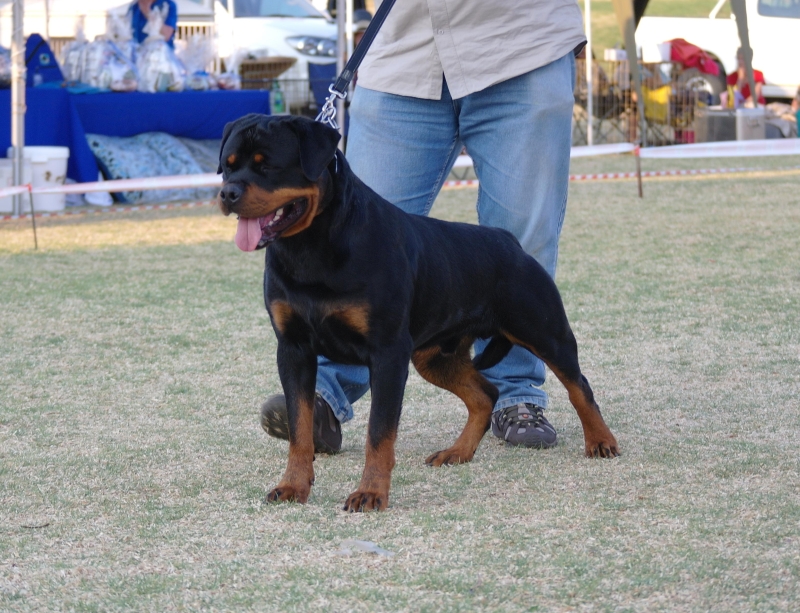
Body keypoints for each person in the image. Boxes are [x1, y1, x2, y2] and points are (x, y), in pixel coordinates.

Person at [261, 0, 586, 453]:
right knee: (348, 236)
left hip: (520, 43)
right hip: (402, 54)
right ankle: (323, 399)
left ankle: (516, 395)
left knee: (521, 241)